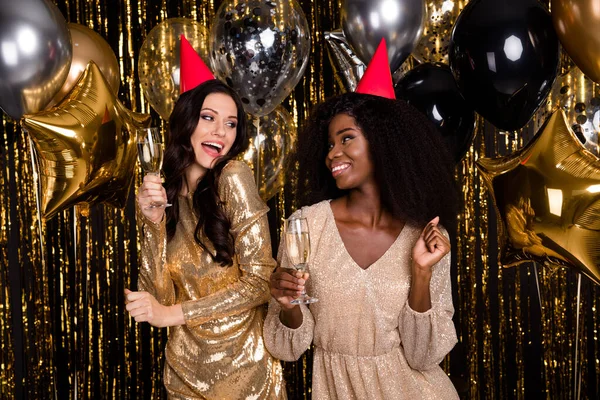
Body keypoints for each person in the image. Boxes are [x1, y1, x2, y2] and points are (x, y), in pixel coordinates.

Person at [263, 41, 460, 399]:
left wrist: (420, 272)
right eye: (329, 144)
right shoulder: (307, 226)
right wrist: (288, 305)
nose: (332, 154)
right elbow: (288, 349)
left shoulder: (427, 237)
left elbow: (424, 356)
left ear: (383, 143)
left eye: (346, 139)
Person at [124, 75, 285, 399]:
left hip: (244, 371)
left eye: (231, 123)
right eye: (208, 117)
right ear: (187, 123)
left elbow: (261, 279)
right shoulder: (164, 195)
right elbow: (160, 298)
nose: (220, 132)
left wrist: (172, 315)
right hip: (183, 373)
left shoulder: (233, 175)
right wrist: (153, 223)